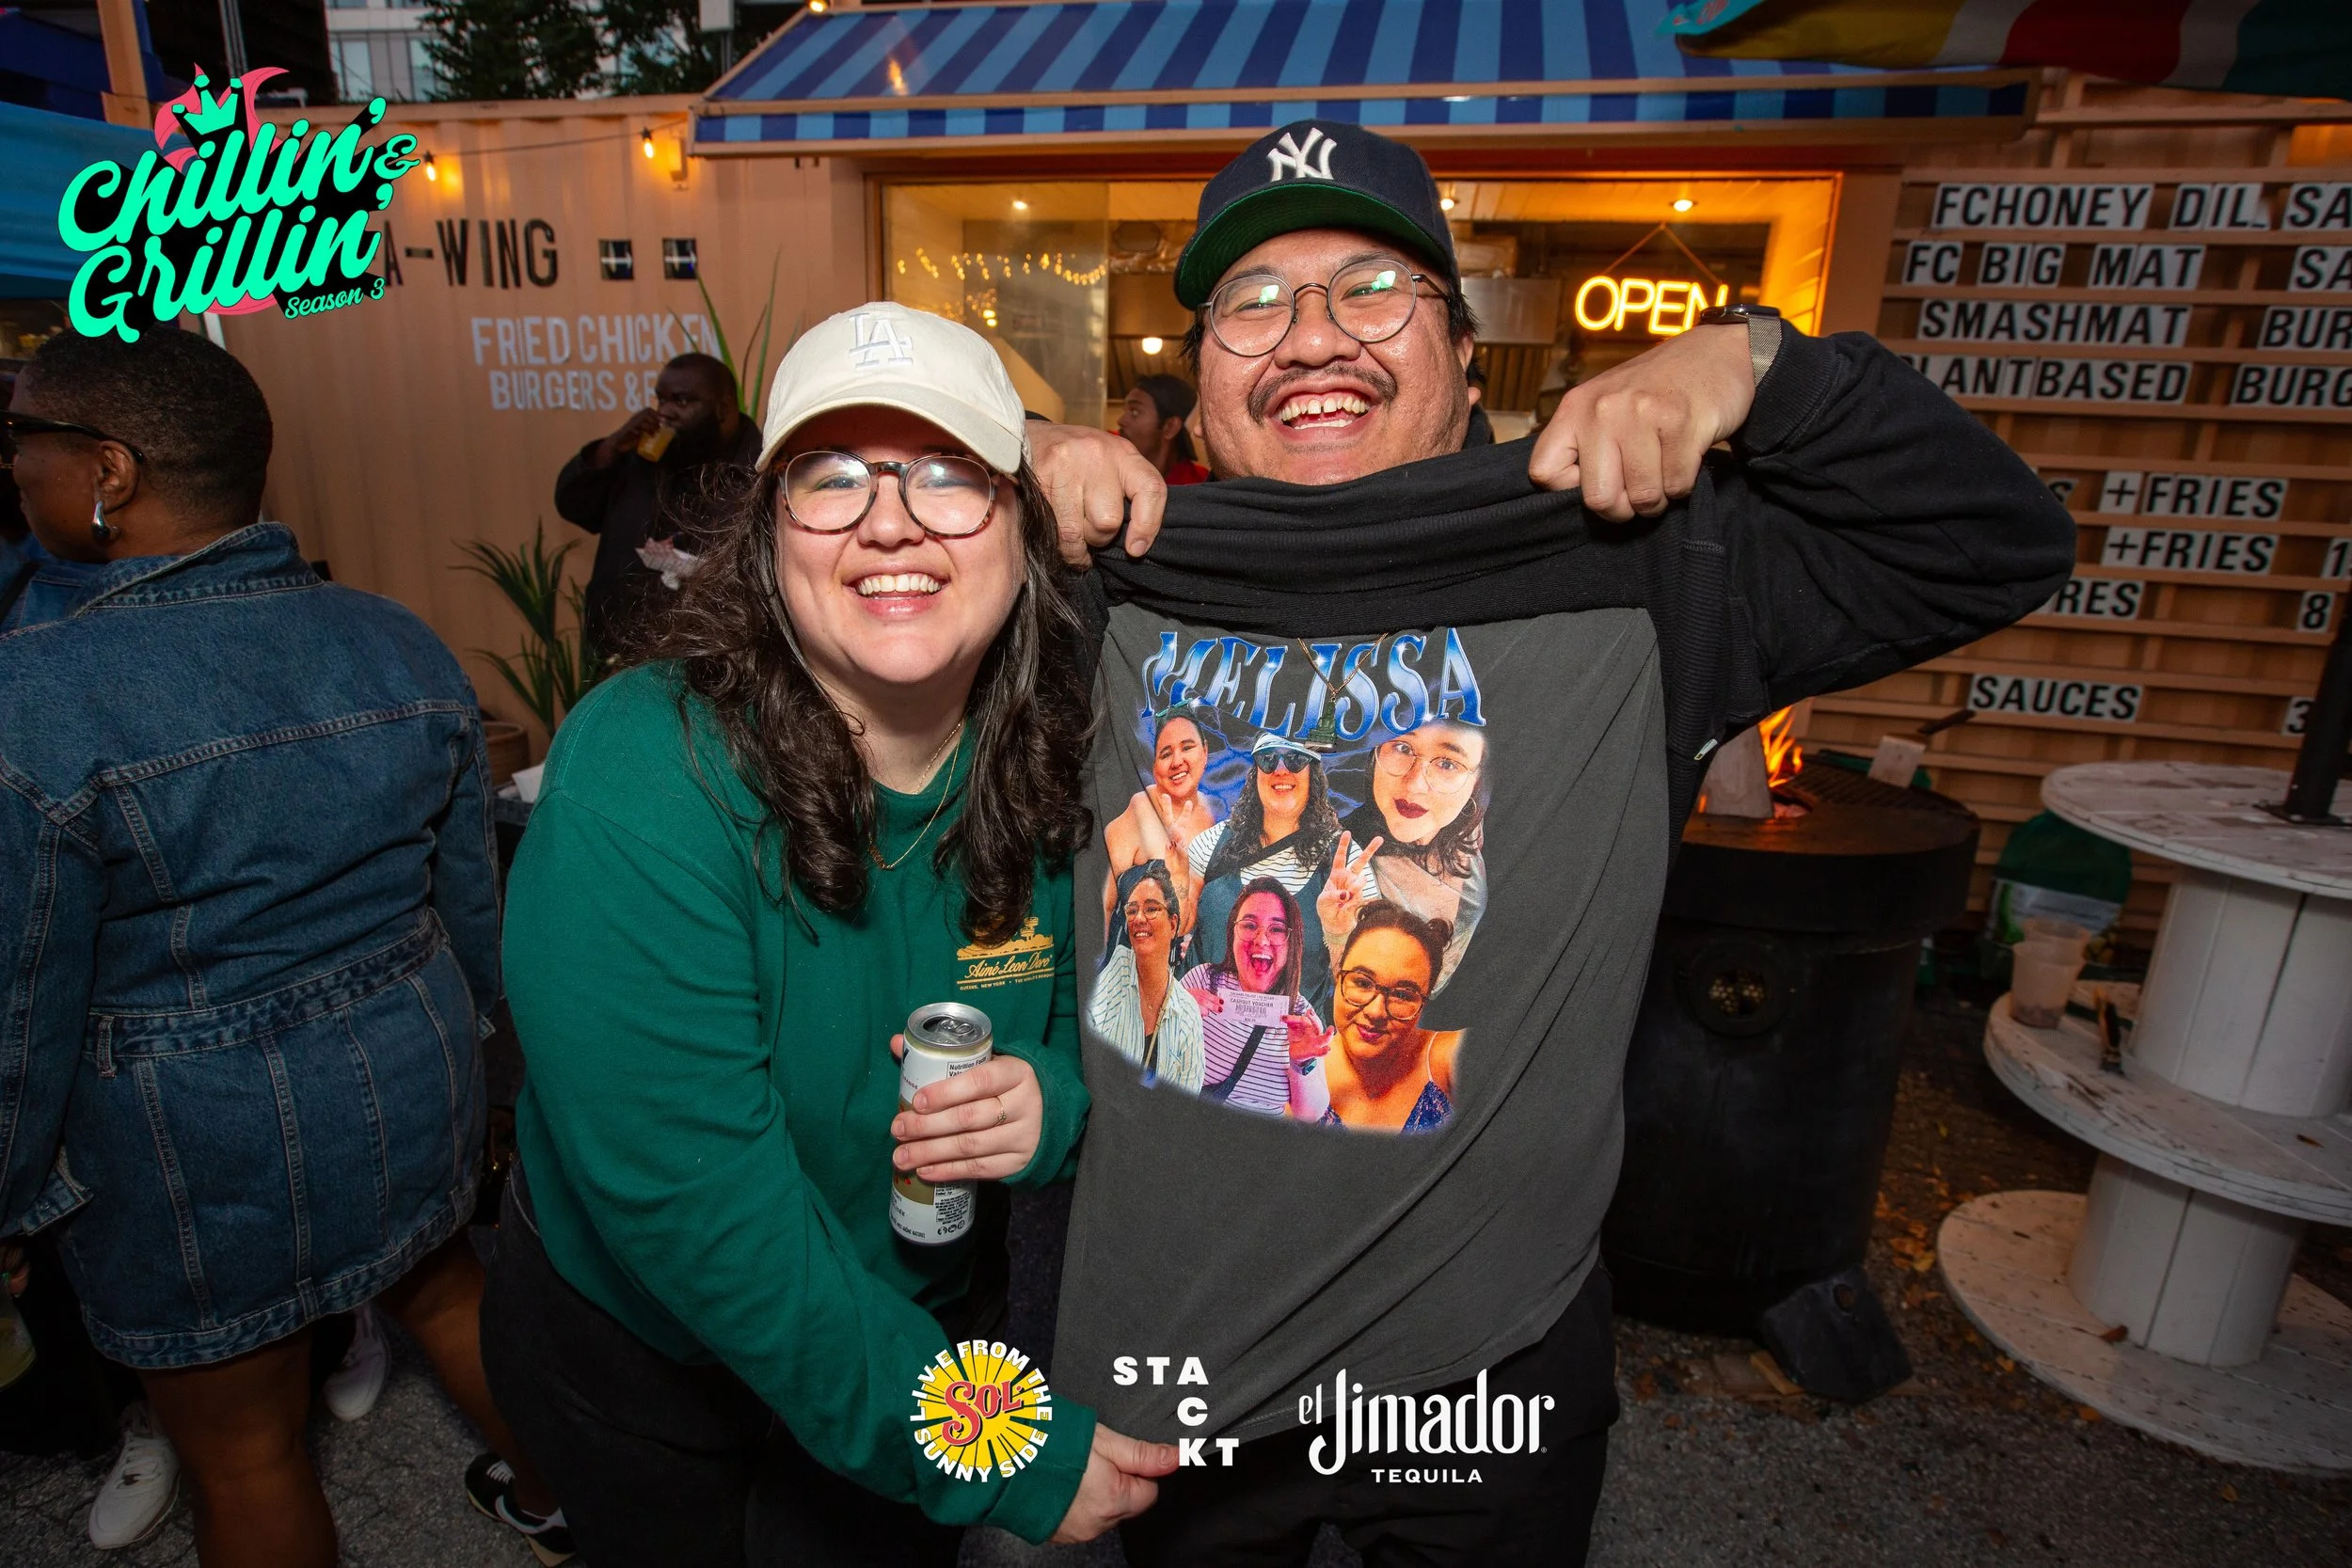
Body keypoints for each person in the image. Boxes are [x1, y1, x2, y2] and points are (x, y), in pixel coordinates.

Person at [1015, 119, 2076, 1565]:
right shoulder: (1100, 577)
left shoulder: (1641, 556)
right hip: (1184, 1355)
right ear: (1199, 382)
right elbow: (808, 553)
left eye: (1372, 290)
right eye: (1253, 303)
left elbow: (1998, 540)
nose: (1311, 335)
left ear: (1465, 359)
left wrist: (1753, 363)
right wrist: (994, 447)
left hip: (1483, 1365)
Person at [481, 302, 1176, 1566]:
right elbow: (704, 1218)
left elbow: (1106, 1036)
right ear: (767, 537)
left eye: (948, 474)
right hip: (656, 1347)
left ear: (1019, 529)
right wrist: (995, 1446)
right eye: (832, 476)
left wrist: (1053, 1102)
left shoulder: (1060, 756)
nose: (890, 520)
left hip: (906, 1308)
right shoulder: (646, 769)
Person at [0, 330, 564, 1567]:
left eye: (22, 440)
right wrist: (487, 1078)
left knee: (249, 1452)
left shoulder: (33, 696)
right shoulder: (397, 638)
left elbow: (19, 997)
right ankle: (568, 1510)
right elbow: (471, 903)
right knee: (448, 1292)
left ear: (109, 469)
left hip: (188, 1130)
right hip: (409, 1058)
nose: (13, 466)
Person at [553, 351, 760, 649]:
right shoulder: (642, 458)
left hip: (712, 654)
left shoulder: (760, 474)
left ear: (724, 409)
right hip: (619, 651)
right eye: (661, 400)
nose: (664, 412)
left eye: (682, 401)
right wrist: (610, 449)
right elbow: (573, 506)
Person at [1327, 718, 1486, 991]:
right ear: (1375, 755)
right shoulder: (1338, 856)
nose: (1414, 785)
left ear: (1477, 782)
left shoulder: (1467, 849)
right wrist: (1337, 934)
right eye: (1402, 748)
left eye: (1447, 764)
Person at [1288, 902, 1460, 1133]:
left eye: (1402, 995)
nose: (1376, 1011)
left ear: (1424, 1003)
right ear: (1338, 974)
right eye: (1362, 982)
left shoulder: (1447, 1056)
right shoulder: (1289, 1074)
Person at [1177, 879, 1325, 1117]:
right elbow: (1154, 1063)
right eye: (1249, 925)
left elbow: (1309, 1115)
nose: (1261, 939)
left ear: (1292, 942)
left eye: (1276, 929)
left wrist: (1303, 1062)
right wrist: (1175, 1014)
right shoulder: (1203, 980)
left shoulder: (1300, 1015)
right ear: (1232, 934)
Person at [1089, 863, 1205, 1095]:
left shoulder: (1187, 1011)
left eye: (1151, 909)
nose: (1139, 918)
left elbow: (1189, 1097)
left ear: (1173, 924)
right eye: (1132, 910)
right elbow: (1089, 1028)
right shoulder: (1119, 968)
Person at [1099, 708, 1219, 930]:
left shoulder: (1214, 811)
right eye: (1165, 754)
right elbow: (1106, 908)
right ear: (1155, 769)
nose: (1177, 761)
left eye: (1187, 747)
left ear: (1205, 751)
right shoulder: (1140, 810)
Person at [1116, 374, 1210, 484]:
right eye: (1125, 410)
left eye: (1135, 412)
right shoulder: (1111, 473)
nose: (1121, 421)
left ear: (1170, 427)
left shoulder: (1201, 485)